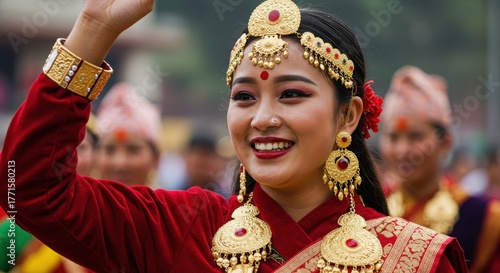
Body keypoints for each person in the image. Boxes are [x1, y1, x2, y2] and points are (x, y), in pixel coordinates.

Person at [0, 0, 468, 272]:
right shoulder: (183, 228)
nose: (262, 118)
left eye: (291, 95)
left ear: (347, 117)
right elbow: (30, 189)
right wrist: (94, 27)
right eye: (245, 97)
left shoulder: (414, 259)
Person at [380, 65, 500, 273]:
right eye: (393, 137)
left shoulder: (482, 216)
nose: (402, 150)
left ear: (445, 142)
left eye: (416, 137)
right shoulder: (371, 206)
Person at [0, 115, 99, 273]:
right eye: (58, 148)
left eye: (81, 147)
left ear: (98, 156)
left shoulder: (106, 218)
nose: (70, 158)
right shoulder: (15, 227)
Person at [94, 82, 162, 187]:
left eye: (133, 150)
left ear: (155, 159)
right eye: (109, 150)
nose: (120, 163)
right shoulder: (81, 202)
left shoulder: (166, 203)